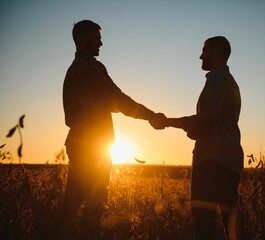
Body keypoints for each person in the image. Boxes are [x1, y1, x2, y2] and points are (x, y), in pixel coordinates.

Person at [62, 20, 164, 239]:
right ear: (81, 39)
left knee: (72, 204)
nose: (101, 42)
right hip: (93, 147)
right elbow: (117, 99)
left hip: (79, 142)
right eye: (96, 37)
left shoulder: (72, 71)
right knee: (94, 206)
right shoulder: (91, 67)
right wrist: (150, 116)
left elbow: (74, 115)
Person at [151, 36, 244, 240]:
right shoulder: (229, 81)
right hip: (228, 160)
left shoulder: (218, 79)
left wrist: (170, 122)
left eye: (204, 50)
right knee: (230, 222)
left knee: (203, 221)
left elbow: (207, 118)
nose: (200, 55)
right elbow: (210, 119)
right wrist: (195, 128)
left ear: (217, 52)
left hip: (212, 161)